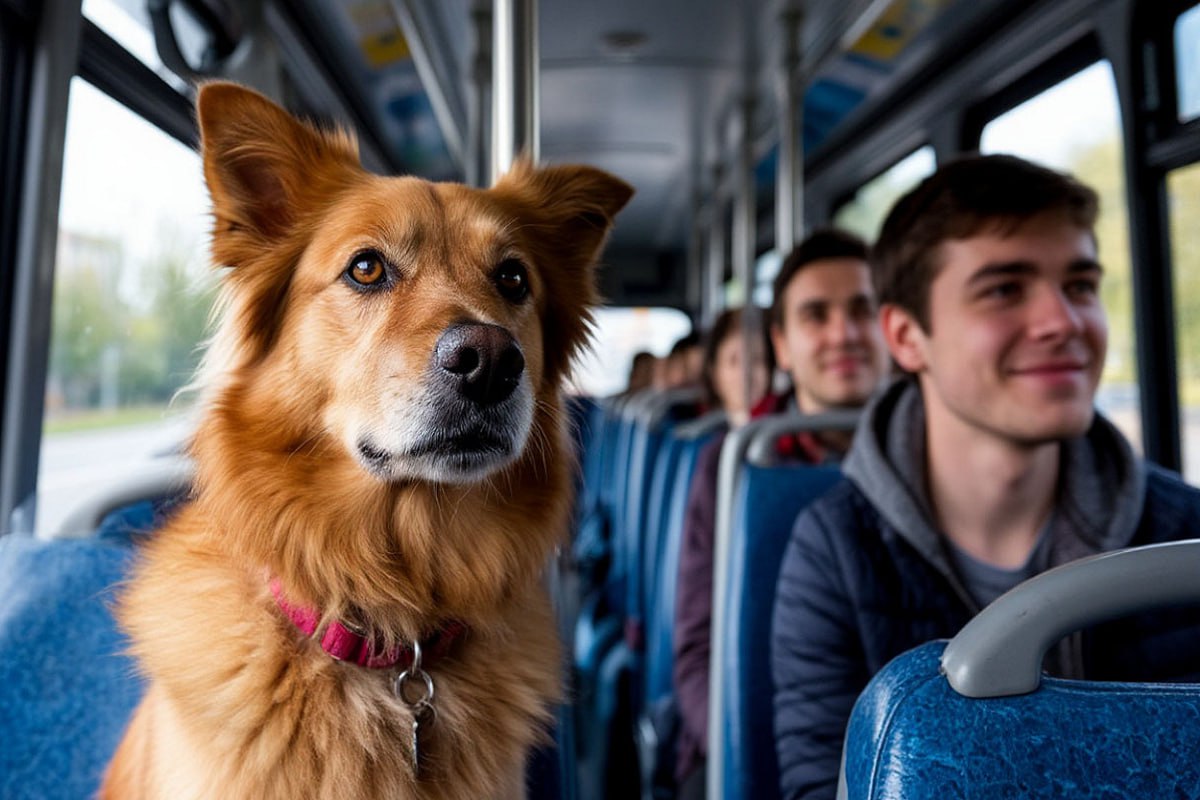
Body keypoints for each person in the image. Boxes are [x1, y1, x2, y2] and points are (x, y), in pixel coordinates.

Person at [770, 154, 1200, 800]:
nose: (1065, 322)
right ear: (907, 336)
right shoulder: (833, 548)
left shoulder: (1182, 534)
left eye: (1080, 286)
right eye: (1004, 289)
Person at [672, 230, 887, 799]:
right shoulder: (736, 466)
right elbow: (696, 646)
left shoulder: (943, 460)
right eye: (816, 315)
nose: (843, 333)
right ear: (784, 346)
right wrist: (738, 751)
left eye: (862, 310)